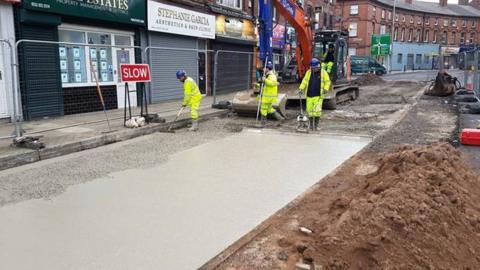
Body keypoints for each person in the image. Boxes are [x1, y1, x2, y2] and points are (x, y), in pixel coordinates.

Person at [298, 57, 331, 131]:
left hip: (318, 95)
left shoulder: (323, 72)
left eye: (314, 68)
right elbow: (305, 81)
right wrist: (301, 88)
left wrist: (326, 88)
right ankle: (310, 126)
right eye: (312, 68)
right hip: (309, 95)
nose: (313, 69)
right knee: (309, 112)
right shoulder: (309, 72)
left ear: (318, 66)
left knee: (317, 112)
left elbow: (327, 81)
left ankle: (315, 126)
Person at [259, 61, 283, 126]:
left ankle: (263, 122)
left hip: (268, 96)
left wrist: (265, 80)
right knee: (269, 109)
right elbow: (265, 85)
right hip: (267, 95)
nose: (263, 69)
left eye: (264, 68)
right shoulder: (267, 75)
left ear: (267, 68)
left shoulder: (271, 75)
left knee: (263, 108)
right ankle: (280, 118)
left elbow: (272, 83)